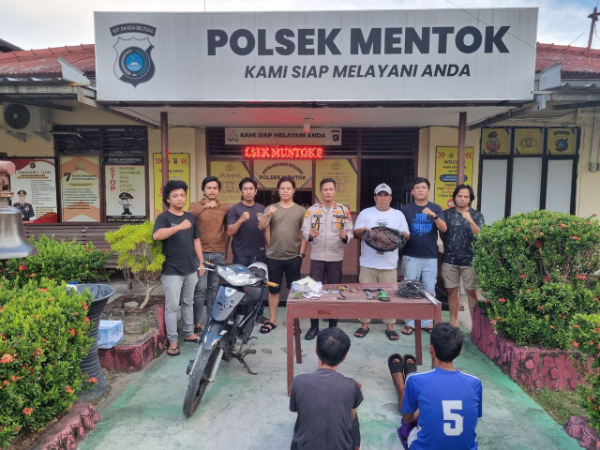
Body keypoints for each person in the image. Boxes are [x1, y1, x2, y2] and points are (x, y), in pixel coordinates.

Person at [388, 323, 483, 450]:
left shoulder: (416, 380)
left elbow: (408, 418)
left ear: (431, 350)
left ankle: (402, 389)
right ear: (459, 351)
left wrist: (423, 408)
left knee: (407, 424)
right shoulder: (475, 383)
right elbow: (473, 417)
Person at [152, 180, 204, 356]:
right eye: (175, 196)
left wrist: (201, 262)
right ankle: (173, 342)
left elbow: (196, 240)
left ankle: (189, 333)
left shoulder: (190, 217)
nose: (180, 198)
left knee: (188, 302)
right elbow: (157, 235)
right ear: (168, 199)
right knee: (172, 306)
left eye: (182, 195)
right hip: (172, 270)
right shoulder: (164, 218)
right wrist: (179, 227)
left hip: (191, 267)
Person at [353, 183, 410, 341]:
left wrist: (396, 235)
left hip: (389, 265)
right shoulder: (366, 213)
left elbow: (407, 235)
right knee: (366, 296)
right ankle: (364, 324)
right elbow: (356, 234)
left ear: (390, 198)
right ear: (375, 197)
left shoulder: (398, 215)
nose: (383, 198)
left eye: (386, 195)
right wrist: (364, 231)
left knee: (389, 297)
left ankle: (390, 326)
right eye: (380, 195)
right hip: (368, 263)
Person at [290, 327, 362, 450]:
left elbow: (299, 410)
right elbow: (351, 417)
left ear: (316, 350)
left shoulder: (298, 381)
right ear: (344, 357)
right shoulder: (351, 385)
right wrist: (353, 391)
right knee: (354, 414)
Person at [302, 178, 354, 340]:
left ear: (335, 191)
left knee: (334, 293)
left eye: (331, 189)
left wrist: (345, 236)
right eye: (325, 189)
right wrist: (310, 235)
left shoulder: (343, 210)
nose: (328, 192)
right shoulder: (312, 210)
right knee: (314, 292)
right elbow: (304, 230)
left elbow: (350, 231)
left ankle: (332, 327)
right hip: (317, 257)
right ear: (320, 191)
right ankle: (314, 326)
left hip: (335, 257)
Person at [258, 176, 307, 334]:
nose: (285, 191)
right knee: (274, 290)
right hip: (273, 257)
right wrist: (267, 214)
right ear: (278, 191)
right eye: (282, 188)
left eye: (288, 188)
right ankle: (272, 320)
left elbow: (305, 234)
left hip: (294, 257)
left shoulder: (300, 211)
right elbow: (261, 227)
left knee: (295, 291)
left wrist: (301, 254)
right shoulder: (271, 208)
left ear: (293, 191)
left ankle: (294, 322)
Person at [400, 177, 447, 336]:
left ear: (429, 191)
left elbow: (444, 229)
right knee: (409, 289)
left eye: (423, 187)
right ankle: (410, 323)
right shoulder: (406, 209)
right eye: (417, 188)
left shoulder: (436, 208)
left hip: (430, 255)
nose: (420, 190)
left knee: (429, 289)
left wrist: (434, 216)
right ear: (413, 192)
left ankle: (427, 322)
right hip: (411, 254)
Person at [190, 176, 230, 334]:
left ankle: (212, 320)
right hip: (200, 253)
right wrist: (206, 207)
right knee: (200, 288)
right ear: (203, 190)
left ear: (218, 191)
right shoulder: (195, 206)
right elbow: (189, 217)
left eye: (215, 188)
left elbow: (226, 229)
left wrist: (224, 248)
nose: (212, 191)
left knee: (214, 288)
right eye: (209, 188)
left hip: (218, 253)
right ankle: (197, 323)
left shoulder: (224, 208)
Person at [441, 185, 484, 327]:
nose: (462, 199)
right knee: (452, 291)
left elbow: (480, 235)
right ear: (454, 197)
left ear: (470, 199)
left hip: (470, 261)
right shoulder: (446, 214)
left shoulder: (477, 215)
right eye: (459, 196)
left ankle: (475, 326)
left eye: (466, 196)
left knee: (472, 293)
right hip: (450, 260)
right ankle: (454, 321)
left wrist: (470, 220)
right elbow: (443, 234)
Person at [227, 177, 269, 323]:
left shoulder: (262, 209)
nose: (248, 192)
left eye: (251, 189)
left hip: (259, 253)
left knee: (259, 285)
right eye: (245, 189)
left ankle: (258, 315)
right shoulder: (235, 209)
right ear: (241, 191)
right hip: (241, 254)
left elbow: (266, 230)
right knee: (240, 286)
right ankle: (240, 315)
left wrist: (269, 248)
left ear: (256, 191)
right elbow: (230, 232)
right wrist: (241, 220)